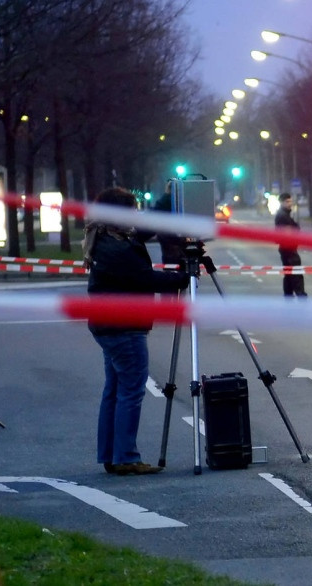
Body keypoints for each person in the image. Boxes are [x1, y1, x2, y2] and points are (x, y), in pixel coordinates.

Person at [83, 186, 189, 476]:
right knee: (130, 391)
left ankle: (112, 455)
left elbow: (143, 231)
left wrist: (170, 200)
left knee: (115, 390)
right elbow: (143, 277)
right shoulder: (115, 246)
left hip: (109, 324)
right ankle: (126, 456)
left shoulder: (107, 237)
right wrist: (183, 278)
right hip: (124, 326)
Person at [274, 192, 307, 297]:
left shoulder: (284, 215)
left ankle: (288, 298)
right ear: (281, 202)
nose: (290, 204)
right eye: (287, 202)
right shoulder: (283, 216)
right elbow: (290, 233)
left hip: (286, 248)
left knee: (288, 275)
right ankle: (301, 297)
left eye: (290, 201)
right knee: (296, 274)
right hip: (289, 249)